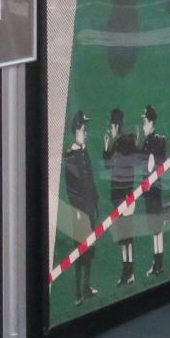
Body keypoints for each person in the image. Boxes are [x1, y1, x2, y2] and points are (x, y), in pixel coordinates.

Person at [58, 111, 101, 305]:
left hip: (90, 209)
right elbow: (71, 189)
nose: (86, 133)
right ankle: (77, 292)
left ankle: (86, 287)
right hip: (79, 212)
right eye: (84, 130)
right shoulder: (70, 156)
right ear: (76, 131)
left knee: (89, 250)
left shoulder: (84, 152)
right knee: (79, 252)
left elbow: (90, 180)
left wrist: (96, 203)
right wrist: (78, 212)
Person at [104, 108, 144, 286]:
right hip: (120, 195)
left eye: (111, 126)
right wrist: (107, 148)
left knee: (126, 236)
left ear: (115, 126)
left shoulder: (123, 142)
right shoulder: (120, 142)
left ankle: (129, 272)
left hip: (124, 195)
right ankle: (127, 272)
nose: (110, 129)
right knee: (123, 236)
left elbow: (130, 162)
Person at [140, 105, 169, 277]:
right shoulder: (146, 142)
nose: (143, 125)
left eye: (145, 122)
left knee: (157, 226)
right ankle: (156, 261)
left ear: (151, 123)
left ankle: (159, 261)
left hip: (155, 189)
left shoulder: (158, 141)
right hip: (148, 191)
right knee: (153, 227)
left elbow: (157, 163)